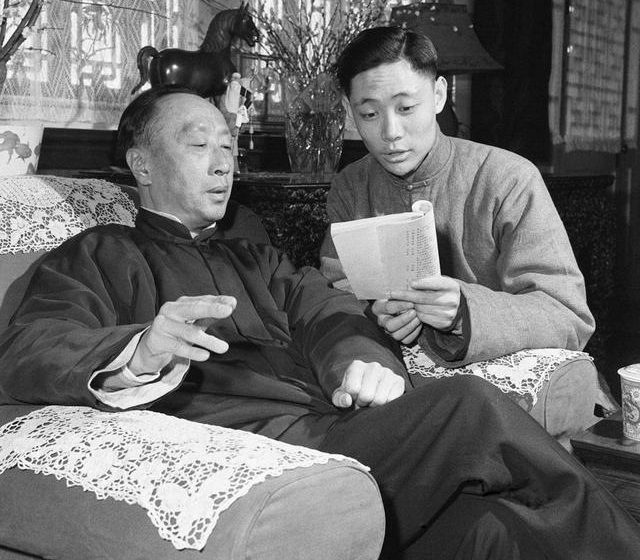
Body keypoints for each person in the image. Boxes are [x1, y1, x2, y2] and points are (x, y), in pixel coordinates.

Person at [1, 85, 638, 559]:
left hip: (334, 428)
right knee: (469, 408)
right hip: (258, 449)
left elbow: (329, 312)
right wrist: (139, 350)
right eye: (199, 146)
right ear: (141, 164)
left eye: (228, 147)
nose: (224, 164)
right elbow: (30, 345)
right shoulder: (97, 254)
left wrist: (362, 363)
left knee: (495, 530)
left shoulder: (256, 256)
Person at [320, 25, 594, 367]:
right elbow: (333, 297)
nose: (391, 133)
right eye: (370, 114)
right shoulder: (351, 186)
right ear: (349, 111)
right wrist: (375, 315)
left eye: (406, 108)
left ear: (439, 95)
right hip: (389, 370)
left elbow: (568, 317)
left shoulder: (508, 178)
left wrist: (465, 311)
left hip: (505, 376)